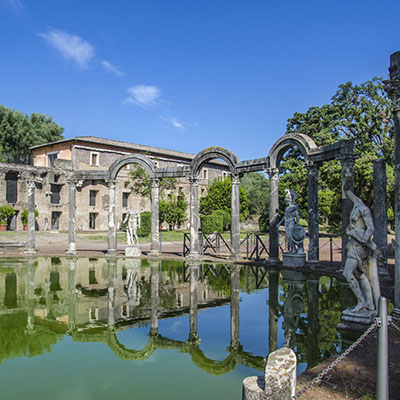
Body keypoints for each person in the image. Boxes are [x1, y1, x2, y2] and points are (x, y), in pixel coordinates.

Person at [343, 181, 380, 313]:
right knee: (361, 275)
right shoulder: (356, 205)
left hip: (359, 247)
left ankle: (362, 301)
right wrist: (346, 178)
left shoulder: (364, 210)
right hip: (353, 244)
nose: (347, 195)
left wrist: (363, 238)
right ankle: (369, 303)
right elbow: (347, 190)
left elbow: (370, 228)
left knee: (347, 273)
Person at [277, 189, 305, 254]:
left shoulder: (294, 207)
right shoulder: (287, 208)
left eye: (287, 200)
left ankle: (295, 249)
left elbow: (297, 216)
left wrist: (297, 223)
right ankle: (292, 249)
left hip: (291, 222)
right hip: (286, 222)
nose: (286, 201)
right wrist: (279, 223)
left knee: (291, 236)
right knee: (288, 237)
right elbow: (285, 216)